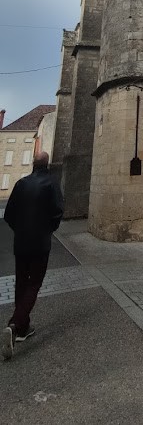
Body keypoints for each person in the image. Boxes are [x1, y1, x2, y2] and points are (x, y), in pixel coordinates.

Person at [1, 151, 64, 360]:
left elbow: (8, 213)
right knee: (34, 283)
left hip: (21, 242)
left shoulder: (21, 183)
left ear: (33, 163)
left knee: (22, 282)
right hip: (40, 242)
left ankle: (23, 327)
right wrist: (47, 229)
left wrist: (20, 229)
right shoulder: (51, 183)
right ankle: (15, 324)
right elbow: (57, 212)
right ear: (46, 164)